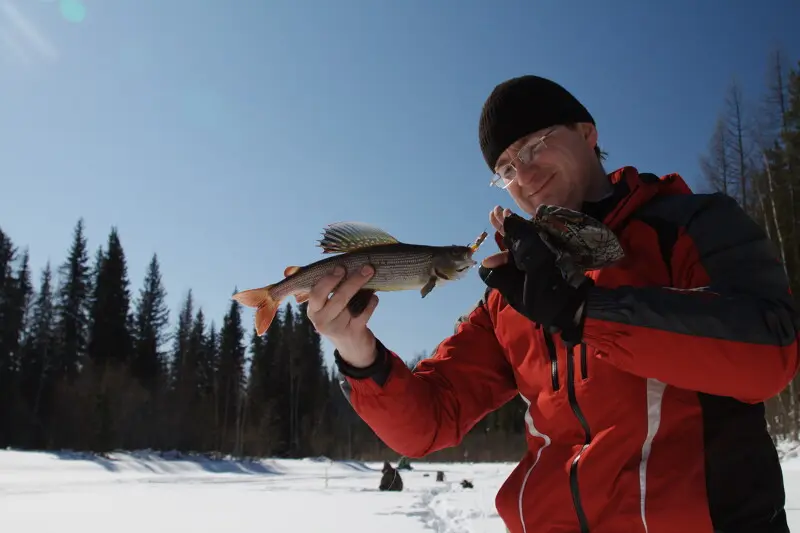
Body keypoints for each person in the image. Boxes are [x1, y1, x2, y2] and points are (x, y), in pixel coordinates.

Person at [305, 75, 800, 533]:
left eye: (535, 145)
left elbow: (768, 353)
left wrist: (587, 312)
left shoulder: (690, 225)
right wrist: (358, 351)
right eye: (505, 168)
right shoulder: (513, 295)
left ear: (587, 133)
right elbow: (430, 421)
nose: (523, 174)